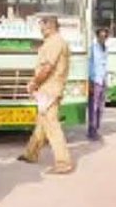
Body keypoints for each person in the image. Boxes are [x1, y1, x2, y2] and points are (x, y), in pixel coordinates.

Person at [18, 15, 74, 174]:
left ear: (49, 26)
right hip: (50, 88)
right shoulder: (55, 41)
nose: (41, 30)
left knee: (52, 125)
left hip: (49, 89)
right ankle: (31, 153)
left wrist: (34, 83)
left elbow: (47, 68)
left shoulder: (55, 42)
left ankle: (63, 162)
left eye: (42, 26)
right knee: (42, 123)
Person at [87, 27, 109, 141]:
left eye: (105, 36)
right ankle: (92, 130)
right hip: (94, 81)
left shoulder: (105, 49)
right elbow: (89, 65)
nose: (103, 38)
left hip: (102, 81)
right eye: (101, 36)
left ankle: (96, 128)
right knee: (93, 107)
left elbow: (105, 66)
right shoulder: (92, 48)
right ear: (97, 36)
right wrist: (90, 81)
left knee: (100, 107)